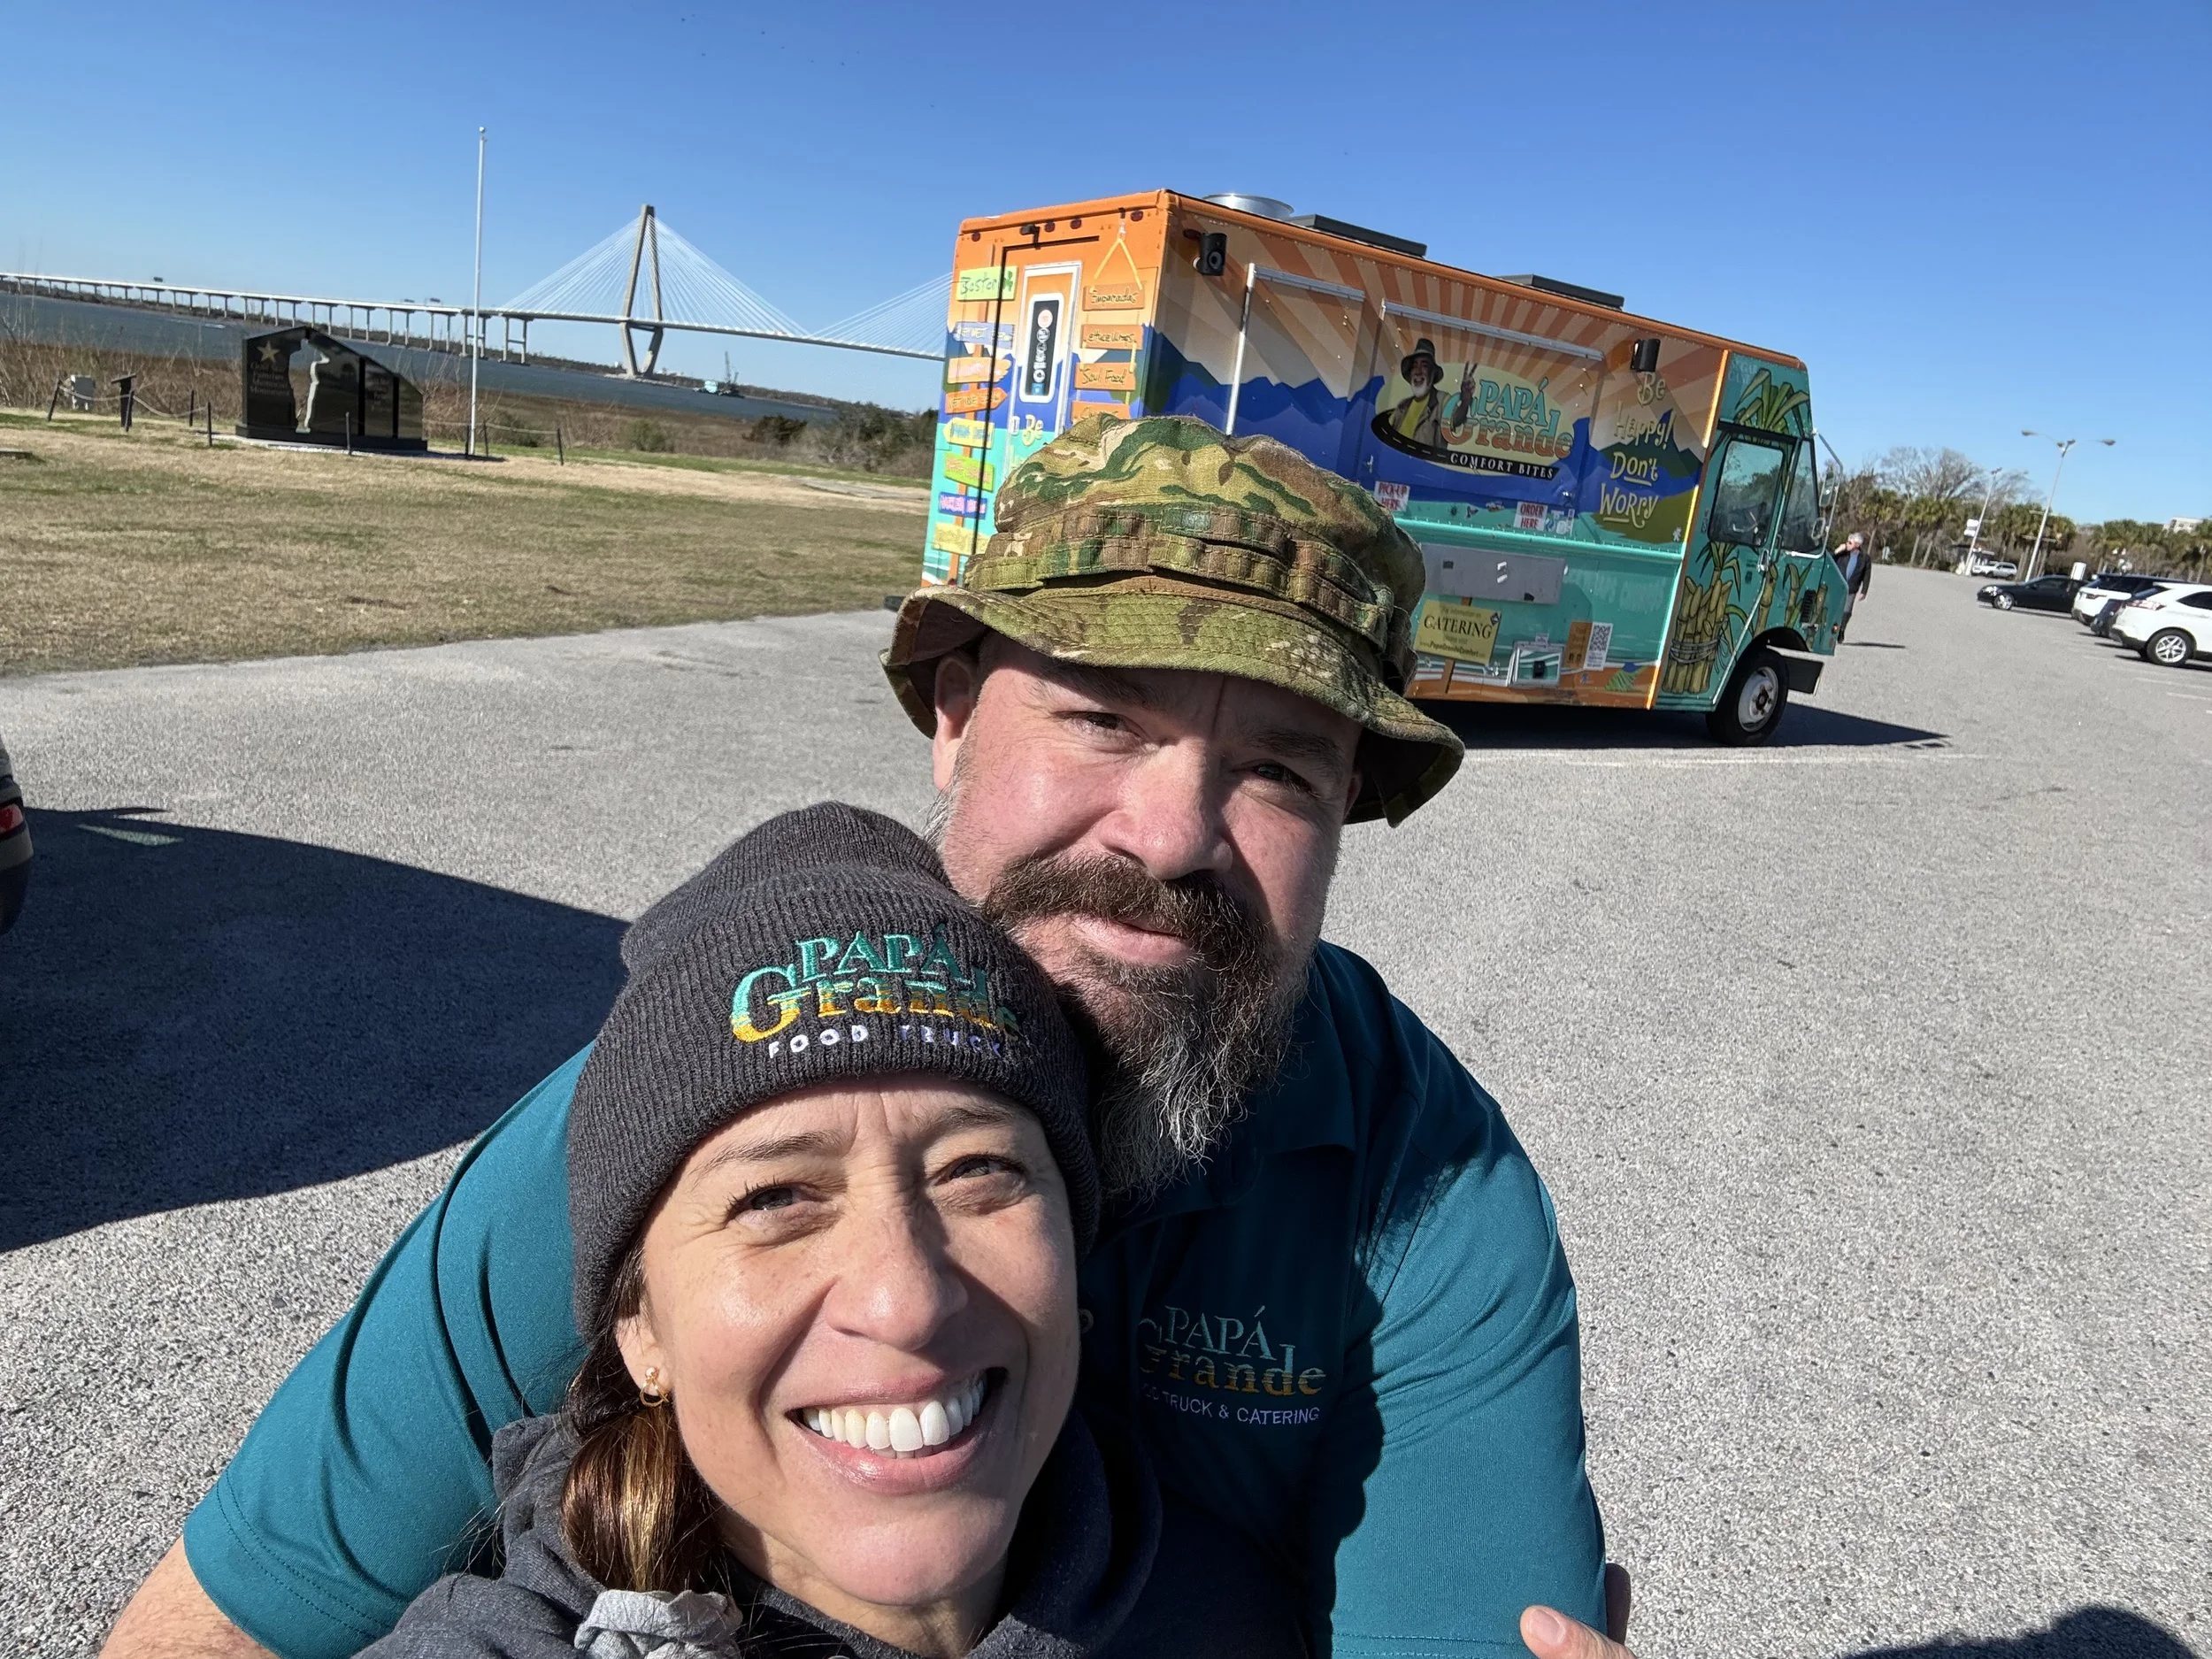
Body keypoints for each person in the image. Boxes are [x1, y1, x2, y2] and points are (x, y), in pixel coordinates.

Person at [104, 414, 1638, 1659]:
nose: (1173, 835)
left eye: (1283, 771)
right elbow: (226, 1623)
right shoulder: (699, 1096)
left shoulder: (1418, 1189)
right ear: (953, 716)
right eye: (1105, 716)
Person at [362, 803, 1295, 1658]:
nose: (905, 1301)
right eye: (774, 1200)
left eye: (979, 1171)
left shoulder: (1241, 1619)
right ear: (641, 1330)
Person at [1834, 532, 1873, 639]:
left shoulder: (1865, 558)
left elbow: (1867, 575)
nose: (1848, 544)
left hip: (1851, 588)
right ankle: (1832, 631)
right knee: (1834, 609)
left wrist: (1864, 591)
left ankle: (1841, 629)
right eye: (1848, 542)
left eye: (1850, 542)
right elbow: (1830, 559)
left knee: (1847, 611)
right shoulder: (1842, 554)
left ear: (1857, 545)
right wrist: (1838, 550)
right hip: (1838, 586)